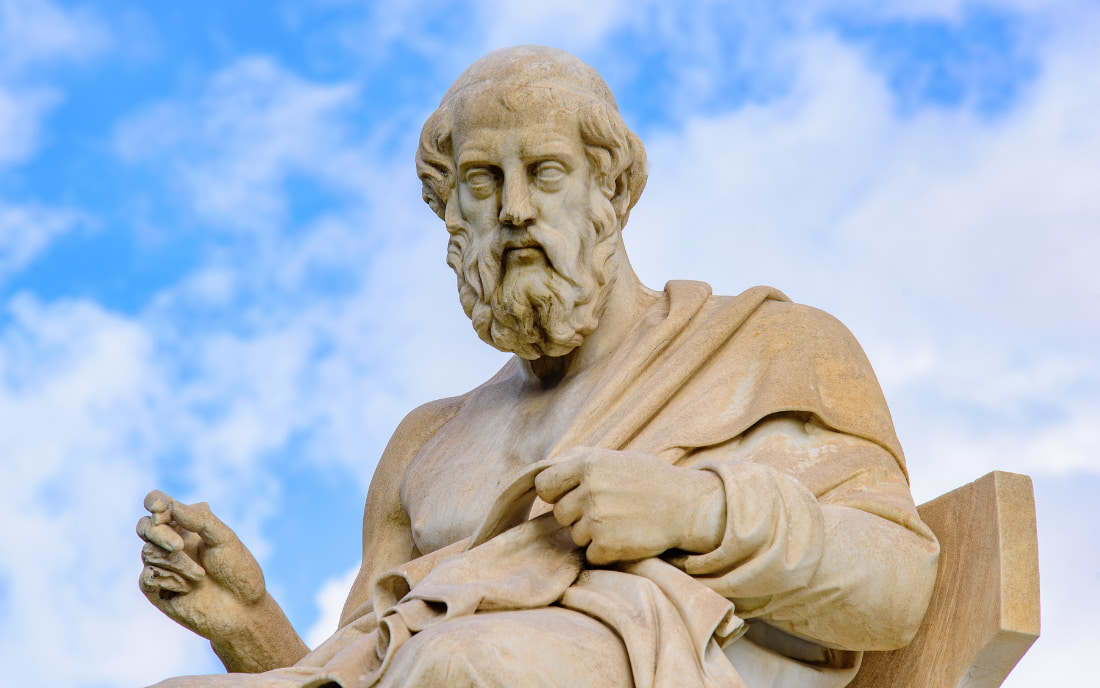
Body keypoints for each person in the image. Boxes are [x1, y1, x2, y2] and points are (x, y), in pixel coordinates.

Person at [137, 45, 940, 688]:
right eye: (483, 182)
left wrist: (693, 512)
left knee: (458, 663)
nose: (515, 208)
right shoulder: (426, 443)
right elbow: (364, 666)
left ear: (612, 192)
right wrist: (249, 625)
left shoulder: (765, 350)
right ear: (452, 218)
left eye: (546, 171)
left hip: (643, 662)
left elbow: (897, 588)